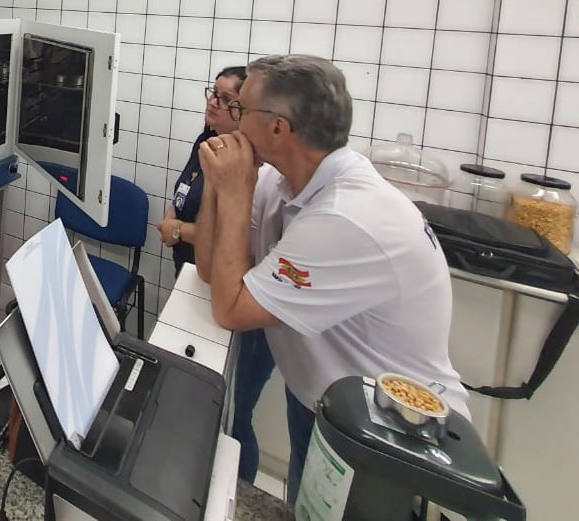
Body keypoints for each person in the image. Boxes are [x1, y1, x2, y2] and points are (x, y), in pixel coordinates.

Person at [193, 54, 469, 505]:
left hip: (389, 435)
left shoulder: (347, 216)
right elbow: (210, 270)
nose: (232, 119)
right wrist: (217, 185)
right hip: (321, 405)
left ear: (278, 128)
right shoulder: (280, 183)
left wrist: (236, 189)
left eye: (242, 109)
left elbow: (231, 308)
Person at [155, 68, 276, 485]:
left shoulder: (253, 168)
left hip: (243, 304)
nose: (214, 103)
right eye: (214, 93)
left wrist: (178, 231)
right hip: (197, 281)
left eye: (227, 100)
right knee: (200, 405)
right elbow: (188, 197)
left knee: (233, 416)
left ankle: (239, 493)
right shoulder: (207, 142)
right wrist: (175, 219)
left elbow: (237, 239)